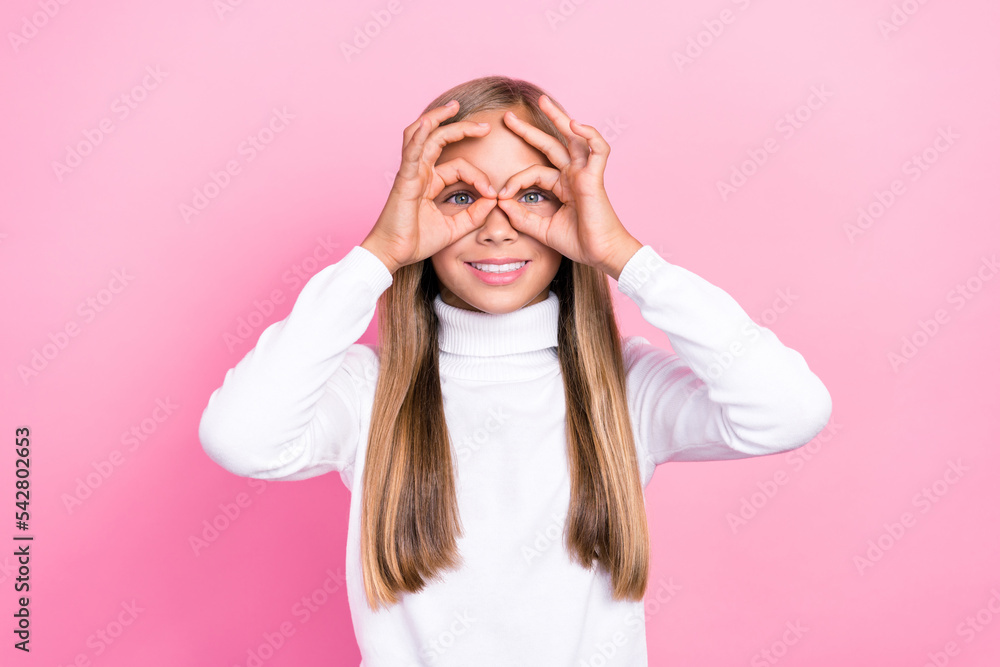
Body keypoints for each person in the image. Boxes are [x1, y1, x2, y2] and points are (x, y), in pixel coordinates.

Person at [198, 74, 832, 666]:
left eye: (532, 195)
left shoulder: (626, 388)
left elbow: (789, 411)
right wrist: (377, 256)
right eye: (461, 197)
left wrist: (626, 257)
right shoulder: (369, 393)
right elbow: (241, 437)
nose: (498, 228)